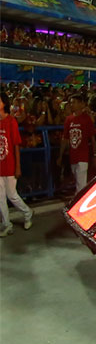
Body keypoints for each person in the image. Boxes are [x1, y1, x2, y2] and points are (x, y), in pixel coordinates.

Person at [0, 92, 33, 236]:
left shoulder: (11, 121)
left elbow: (16, 145)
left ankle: (27, 213)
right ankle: (6, 224)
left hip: (10, 164)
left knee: (12, 195)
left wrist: (17, 166)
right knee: (0, 197)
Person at [58, 94, 96, 195]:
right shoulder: (68, 120)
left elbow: (92, 138)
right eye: (71, 103)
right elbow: (65, 138)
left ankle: (78, 202)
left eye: (74, 102)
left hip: (83, 156)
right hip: (72, 155)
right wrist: (60, 155)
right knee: (78, 180)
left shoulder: (86, 119)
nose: (72, 105)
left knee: (81, 182)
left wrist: (95, 155)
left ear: (81, 104)